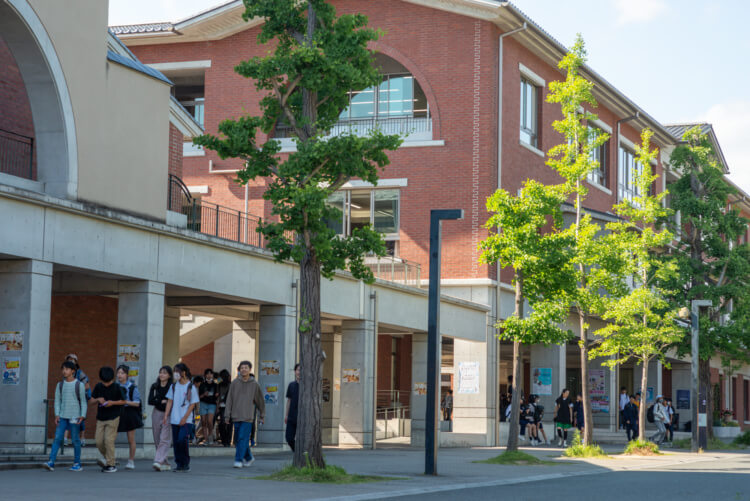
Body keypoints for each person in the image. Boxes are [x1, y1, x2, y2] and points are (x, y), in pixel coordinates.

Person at [43, 361, 87, 471]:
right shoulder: (60, 385)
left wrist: (82, 415)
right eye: (63, 369)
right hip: (62, 416)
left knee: (75, 440)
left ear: (73, 371)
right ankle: (51, 462)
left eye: (67, 369)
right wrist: (57, 414)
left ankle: (77, 463)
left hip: (75, 416)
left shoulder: (79, 385)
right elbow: (57, 401)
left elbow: (83, 401)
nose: (64, 371)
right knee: (57, 438)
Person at [226, 360, 265, 468]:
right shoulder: (234, 383)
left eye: (246, 368)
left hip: (248, 417)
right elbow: (229, 400)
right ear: (239, 369)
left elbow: (260, 401)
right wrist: (227, 415)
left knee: (243, 438)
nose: (244, 369)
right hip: (235, 415)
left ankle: (238, 460)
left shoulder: (255, 384)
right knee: (239, 439)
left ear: (250, 370)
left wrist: (262, 415)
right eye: (242, 368)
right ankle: (249, 457)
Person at [164, 363, 200, 472]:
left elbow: (192, 404)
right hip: (174, 419)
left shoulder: (191, 387)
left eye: (177, 371)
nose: (175, 374)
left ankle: (185, 462)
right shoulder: (173, 386)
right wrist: (166, 415)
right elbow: (170, 401)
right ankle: (179, 464)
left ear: (183, 372)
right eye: (174, 371)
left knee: (182, 440)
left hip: (187, 420)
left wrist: (185, 418)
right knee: (176, 442)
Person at [91, 366, 125, 472]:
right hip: (101, 418)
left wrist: (112, 403)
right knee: (98, 441)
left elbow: (123, 401)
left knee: (108, 440)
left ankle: (111, 465)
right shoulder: (98, 386)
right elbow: (91, 401)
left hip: (113, 417)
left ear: (112, 379)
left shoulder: (117, 387)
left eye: (108, 382)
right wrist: (97, 399)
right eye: (104, 382)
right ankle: (109, 459)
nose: (106, 385)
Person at [116, 365, 142, 470]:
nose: (119, 375)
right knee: (111, 437)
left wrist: (125, 402)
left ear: (127, 375)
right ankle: (109, 458)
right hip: (117, 412)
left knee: (131, 439)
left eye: (122, 373)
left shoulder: (132, 387)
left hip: (129, 413)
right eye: (118, 373)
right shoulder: (115, 386)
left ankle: (131, 461)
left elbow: (137, 403)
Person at [148, 365, 173, 471]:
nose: (161, 374)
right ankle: (165, 462)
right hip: (156, 413)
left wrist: (161, 400)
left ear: (169, 375)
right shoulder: (155, 386)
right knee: (157, 438)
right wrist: (160, 401)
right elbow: (150, 400)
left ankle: (158, 461)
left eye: (164, 373)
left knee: (164, 438)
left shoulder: (172, 387)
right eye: (160, 372)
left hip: (168, 414)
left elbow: (172, 401)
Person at [64, 354, 91, 447]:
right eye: (69, 360)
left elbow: (87, 386)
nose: (71, 362)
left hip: (79, 399)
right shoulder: (66, 373)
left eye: (72, 360)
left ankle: (82, 438)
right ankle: (65, 438)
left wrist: (77, 390)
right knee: (67, 417)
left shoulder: (80, 373)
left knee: (80, 419)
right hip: (69, 399)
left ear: (76, 361)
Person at [199, 369, 218, 445]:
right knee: (203, 421)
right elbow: (199, 396)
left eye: (211, 374)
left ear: (213, 375)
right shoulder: (202, 384)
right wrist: (204, 394)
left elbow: (217, 395)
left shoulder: (215, 385)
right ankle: (206, 439)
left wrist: (217, 395)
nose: (209, 375)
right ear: (205, 375)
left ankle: (210, 437)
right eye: (207, 374)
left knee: (210, 421)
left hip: (212, 404)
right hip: (203, 403)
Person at [285, 363, 300, 451]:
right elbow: (289, 400)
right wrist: (286, 415)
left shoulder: (308, 386)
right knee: (289, 438)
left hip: (303, 417)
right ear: (295, 372)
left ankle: (301, 454)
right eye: (298, 370)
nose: (300, 372)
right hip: (292, 416)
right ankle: (297, 452)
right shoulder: (291, 385)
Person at [216, 369, 232, 447]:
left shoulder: (230, 385)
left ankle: (226, 441)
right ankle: (226, 440)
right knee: (224, 424)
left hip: (227, 407)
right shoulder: (219, 384)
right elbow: (217, 394)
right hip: (222, 406)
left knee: (226, 424)